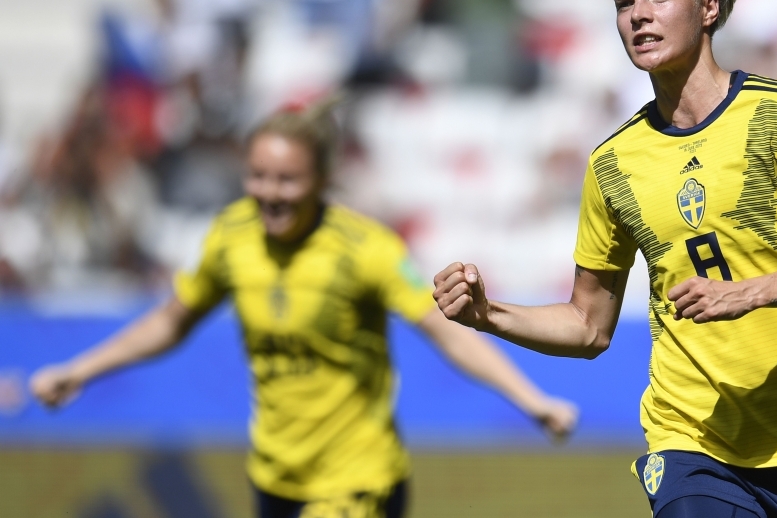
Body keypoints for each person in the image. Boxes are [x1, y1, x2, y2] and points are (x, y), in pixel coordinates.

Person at [432, 0, 777, 518]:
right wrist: (489, 315)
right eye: (624, 3)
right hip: (691, 437)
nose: (637, 14)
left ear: (707, 9)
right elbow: (588, 325)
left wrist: (751, 293)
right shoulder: (613, 163)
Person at [30, 100, 577, 518]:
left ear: (319, 179)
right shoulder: (232, 237)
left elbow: (445, 331)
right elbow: (171, 320)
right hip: (275, 477)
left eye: (287, 179)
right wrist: (78, 371)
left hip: (358, 478)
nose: (271, 193)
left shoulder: (364, 249)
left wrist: (532, 401)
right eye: (259, 177)